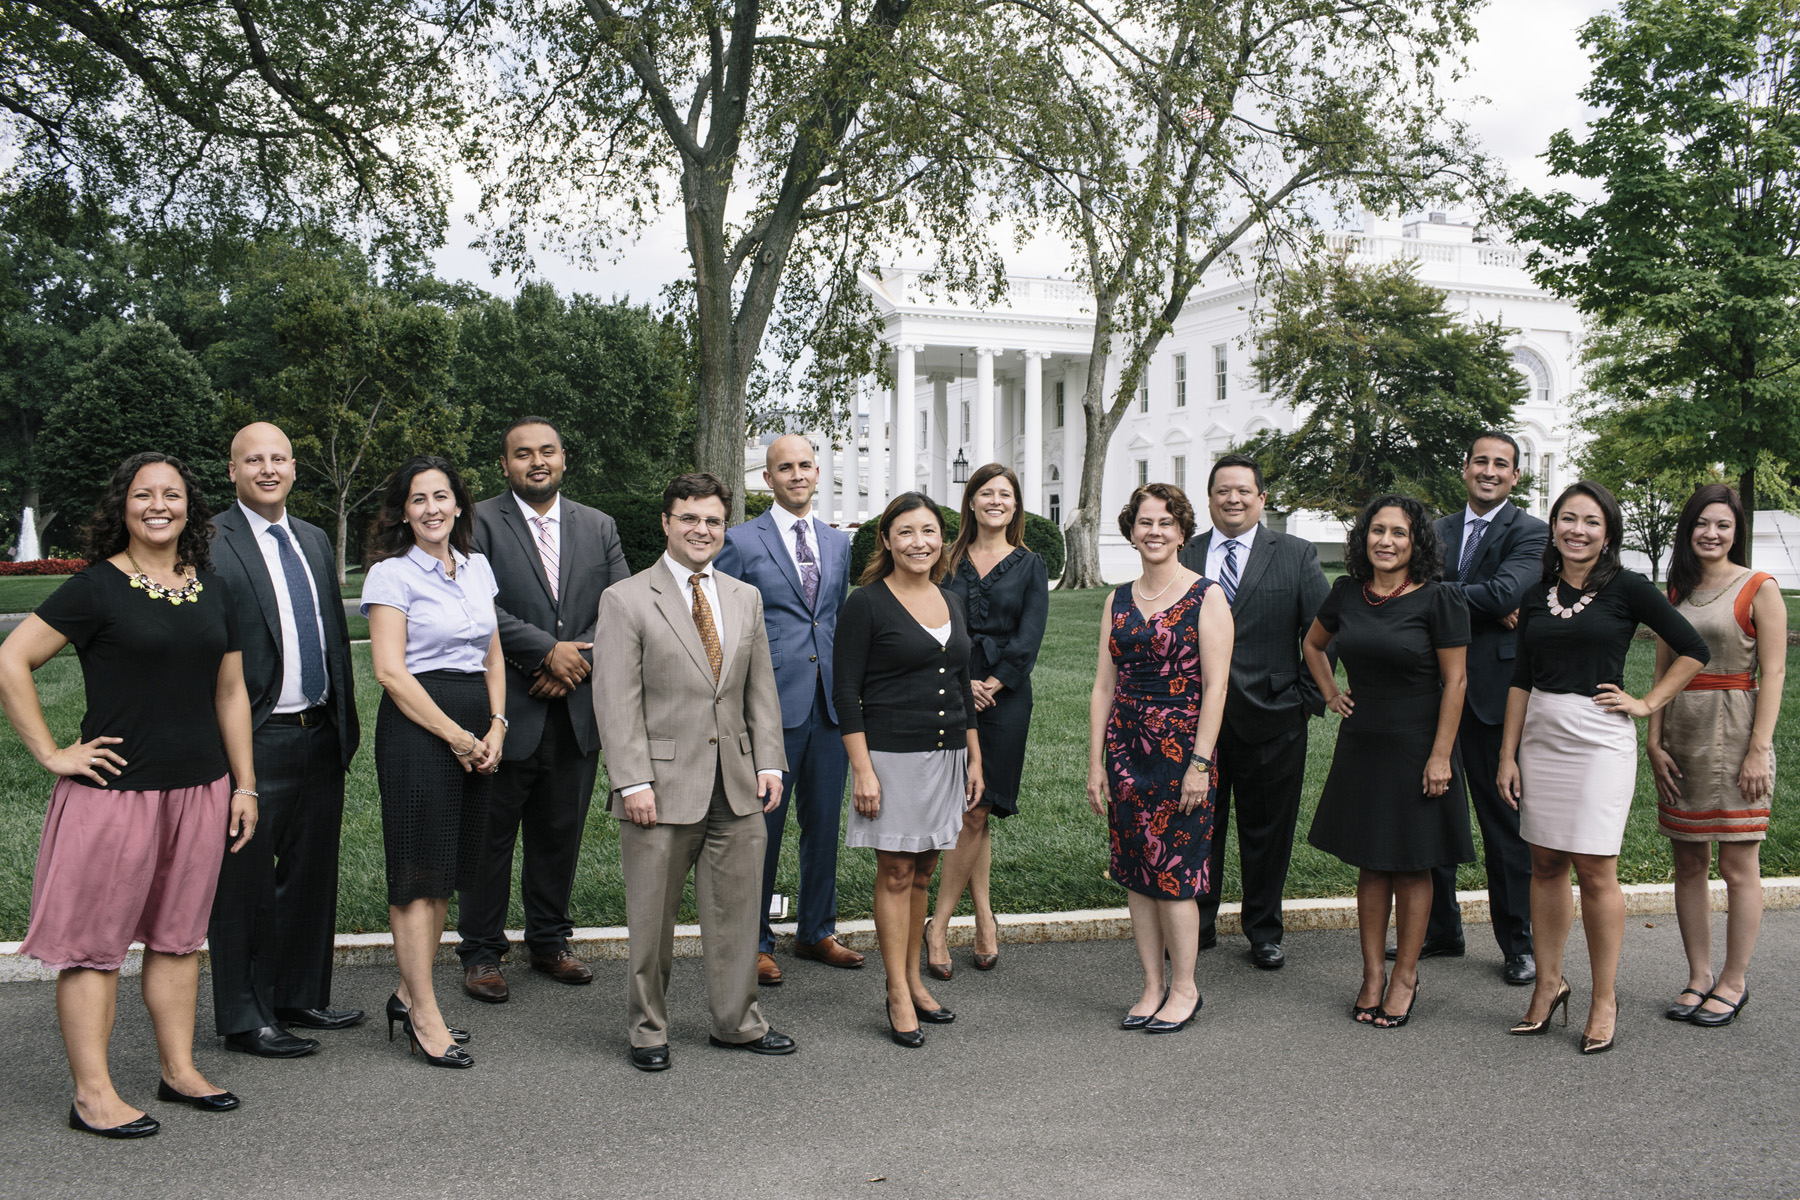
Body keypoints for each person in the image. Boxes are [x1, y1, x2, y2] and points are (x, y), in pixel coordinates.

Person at [0, 452, 256, 1136]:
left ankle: (179, 1072)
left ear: (190, 509)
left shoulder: (214, 588)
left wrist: (244, 785)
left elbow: (230, 693)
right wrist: (52, 752)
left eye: (172, 494)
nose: (158, 505)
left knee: (178, 940)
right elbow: (11, 659)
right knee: (94, 946)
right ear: (123, 507)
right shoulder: (94, 589)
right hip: (114, 797)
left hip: (200, 792)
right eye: (144, 495)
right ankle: (93, 1095)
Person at [1498, 480, 1710, 1054]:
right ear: (1554, 526)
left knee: (1594, 870)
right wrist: (1506, 755)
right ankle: (1549, 985)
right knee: (1543, 864)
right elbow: (1520, 678)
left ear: (1607, 533)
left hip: (1598, 740)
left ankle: (1604, 998)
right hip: (1540, 736)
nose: (1577, 530)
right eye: (1567, 519)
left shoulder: (1628, 588)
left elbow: (1693, 649)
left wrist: (1645, 703)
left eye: (1590, 522)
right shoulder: (1537, 594)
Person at [596, 472, 795, 1072]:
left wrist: (769, 762)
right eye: (689, 518)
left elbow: (761, 690)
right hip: (657, 788)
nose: (701, 530)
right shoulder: (626, 599)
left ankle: (737, 1023)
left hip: (736, 785)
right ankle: (648, 1030)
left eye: (712, 520)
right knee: (651, 921)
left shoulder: (744, 597)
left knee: (738, 913)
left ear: (724, 527)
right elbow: (615, 699)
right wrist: (632, 781)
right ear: (666, 523)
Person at [458, 417, 630, 1003]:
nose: (537, 461)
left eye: (547, 451)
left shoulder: (599, 526)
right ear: (504, 465)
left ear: (563, 459)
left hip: (574, 712)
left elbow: (621, 607)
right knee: (490, 838)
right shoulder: (477, 521)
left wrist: (572, 663)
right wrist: (543, 655)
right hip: (506, 710)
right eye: (523, 453)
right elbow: (476, 603)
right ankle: (481, 952)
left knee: (560, 833)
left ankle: (550, 942)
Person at [207, 423, 362, 1059]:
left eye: (278, 458)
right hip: (256, 733)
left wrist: (343, 723)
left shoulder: (315, 539)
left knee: (310, 874)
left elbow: (329, 631)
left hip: (319, 729)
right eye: (254, 460)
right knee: (244, 882)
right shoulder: (212, 540)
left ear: (294, 468)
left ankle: (299, 993)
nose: (267, 469)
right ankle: (247, 1017)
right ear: (234, 471)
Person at [1303, 495, 1473, 1028]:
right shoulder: (1347, 592)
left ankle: (1406, 976)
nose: (1386, 541)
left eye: (1398, 532)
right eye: (1377, 530)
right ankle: (1372, 973)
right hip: (1364, 744)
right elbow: (1312, 645)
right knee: (1372, 863)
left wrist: (1441, 755)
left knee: (1413, 863)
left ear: (1416, 541)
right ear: (1363, 537)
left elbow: (1456, 682)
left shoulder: (1439, 599)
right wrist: (1331, 693)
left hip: (1420, 745)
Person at [362, 456, 506, 1070]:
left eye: (441, 496)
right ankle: (424, 1012)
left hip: (477, 719)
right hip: (421, 726)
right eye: (418, 499)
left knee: (447, 866)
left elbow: (493, 654)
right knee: (418, 870)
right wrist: (457, 736)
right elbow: (389, 671)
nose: (431, 509)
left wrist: (496, 725)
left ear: (458, 504)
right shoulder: (390, 576)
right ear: (402, 511)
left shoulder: (477, 568)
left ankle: (407, 991)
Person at [834, 492, 984, 1047]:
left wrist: (973, 757)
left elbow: (964, 690)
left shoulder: (952, 600)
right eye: (905, 533)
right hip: (890, 758)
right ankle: (897, 988)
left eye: (928, 531)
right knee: (896, 872)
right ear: (887, 542)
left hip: (946, 757)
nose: (918, 542)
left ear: (941, 539)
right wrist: (863, 770)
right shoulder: (866, 604)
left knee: (922, 872)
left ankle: (916, 979)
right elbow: (845, 692)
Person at [716, 434, 862, 986]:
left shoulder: (837, 542)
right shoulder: (740, 541)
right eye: (785, 468)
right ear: (768, 478)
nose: (796, 475)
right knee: (763, 829)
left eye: (805, 465)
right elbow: (731, 626)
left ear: (817, 473)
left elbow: (834, 619)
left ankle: (816, 930)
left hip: (829, 706)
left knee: (823, 825)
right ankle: (754, 939)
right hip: (770, 708)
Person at [1088, 483, 1231, 1033]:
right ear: (1131, 530)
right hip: (1126, 754)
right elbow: (1104, 686)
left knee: (1174, 876)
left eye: (1165, 522)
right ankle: (1150, 986)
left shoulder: (1206, 596)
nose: (1154, 531)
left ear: (1181, 531)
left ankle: (1186, 989)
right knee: (1135, 873)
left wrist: (1200, 763)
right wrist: (1096, 762)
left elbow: (1216, 687)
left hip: (1181, 756)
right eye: (1145, 522)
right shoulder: (1116, 599)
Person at [1406, 433, 1549, 985]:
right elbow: (1412, 586)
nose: (1489, 471)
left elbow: (1505, 592)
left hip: (1493, 695)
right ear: (1464, 468)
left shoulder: (1532, 533)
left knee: (1503, 824)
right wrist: (1484, 601)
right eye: (1480, 461)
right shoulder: (1434, 530)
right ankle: (1442, 930)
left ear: (1516, 476)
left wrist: (1443, 595)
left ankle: (1518, 943)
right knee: (1432, 814)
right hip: (1431, 693)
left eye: (1501, 465)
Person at [1178, 453, 1330, 969]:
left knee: (1268, 831)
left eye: (1244, 491)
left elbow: (1324, 634)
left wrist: (1305, 700)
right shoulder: (1186, 555)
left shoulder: (1296, 553)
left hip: (1275, 718)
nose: (1234, 499)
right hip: (1198, 724)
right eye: (1223, 491)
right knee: (1200, 826)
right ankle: (1197, 924)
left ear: (1262, 498)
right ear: (1210, 498)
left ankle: (1264, 929)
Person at [1647, 484, 1784, 1028]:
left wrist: (1759, 749)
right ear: (1689, 528)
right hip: (1682, 730)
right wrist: (1653, 741)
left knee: (1736, 862)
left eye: (1723, 525)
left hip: (1735, 730)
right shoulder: (1676, 587)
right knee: (1688, 861)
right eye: (1703, 523)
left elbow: (1772, 672)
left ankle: (1733, 980)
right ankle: (1699, 975)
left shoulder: (1759, 586)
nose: (1712, 533)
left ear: (1736, 532)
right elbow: (1661, 672)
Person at [928, 463, 1048, 977]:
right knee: (968, 811)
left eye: (1005, 494)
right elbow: (928, 618)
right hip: (946, 690)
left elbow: (1030, 633)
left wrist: (993, 681)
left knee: (979, 809)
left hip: (1004, 698)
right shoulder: (946, 558)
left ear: (1015, 506)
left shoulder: (1031, 563)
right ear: (971, 502)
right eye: (986, 492)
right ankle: (984, 918)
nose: (996, 500)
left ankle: (937, 925)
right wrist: (962, 681)